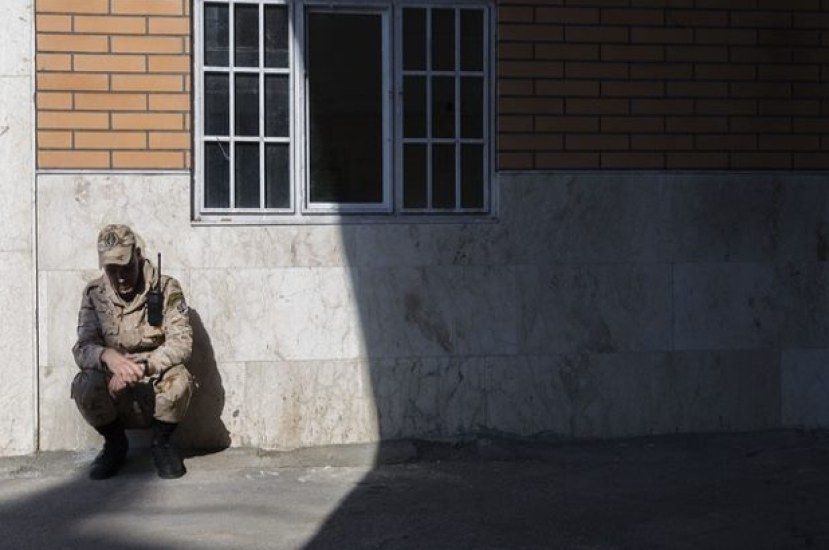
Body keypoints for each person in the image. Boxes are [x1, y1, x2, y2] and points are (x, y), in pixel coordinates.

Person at [71, 224, 194, 480]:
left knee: (180, 380)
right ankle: (115, 444)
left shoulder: (167, 287)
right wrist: (108, 357)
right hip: (115, 389)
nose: (121, 277)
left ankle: (161, 444)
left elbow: (182, 342)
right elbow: (82, 347)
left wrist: (141, 367)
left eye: (126, 267)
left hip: (153, 383)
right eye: (112, 270)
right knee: (84, 384)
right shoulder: (94, 294)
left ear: (137, 254)